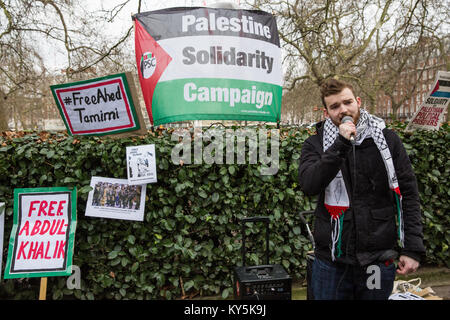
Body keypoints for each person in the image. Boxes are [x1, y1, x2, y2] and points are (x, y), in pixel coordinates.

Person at [298, 78, 425, 300]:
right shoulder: (316, 144)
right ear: (326, 113)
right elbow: (309, 184)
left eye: (347, 102)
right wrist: (341, 144)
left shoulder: (387, 140)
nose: (343, 110)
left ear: (358, 101)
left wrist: (412, 249)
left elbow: (408, 194)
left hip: (376, 261)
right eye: (335, 106)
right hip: (332, 262)